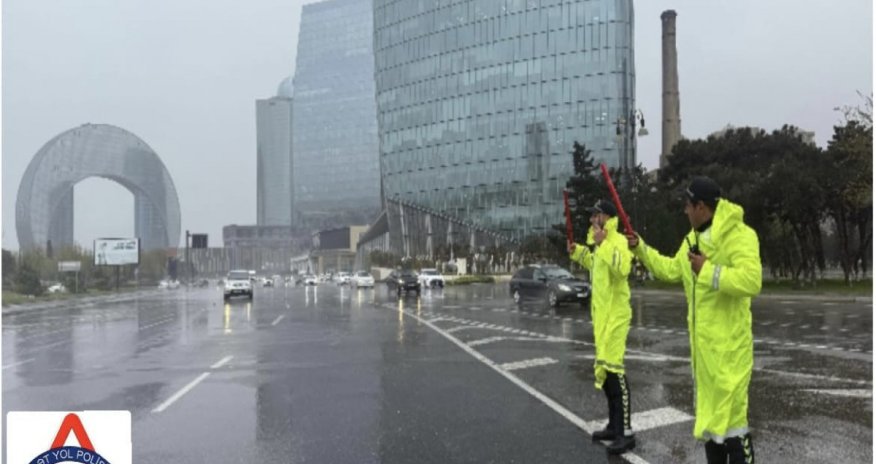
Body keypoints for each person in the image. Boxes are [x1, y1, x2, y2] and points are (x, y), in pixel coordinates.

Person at [626, 176, 761, 464]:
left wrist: (709, 270)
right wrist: (640, 248)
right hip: (704, 359)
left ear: (701, 206)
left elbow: (752, 280)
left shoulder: (739, 235)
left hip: (731, 357)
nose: (685, 211)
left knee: (735, 430)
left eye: (688, 206)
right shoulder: (692, 240)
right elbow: (670, 269)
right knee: (711, 431)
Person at [568, 199, 635, 455]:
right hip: (602, 318)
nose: (592, 220)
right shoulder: (599, 245)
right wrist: (577, 251)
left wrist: (604, 243)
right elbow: (593, 262)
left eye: (595, 216)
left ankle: (626, 432)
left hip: (616, 317)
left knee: (616, 373)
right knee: (606, 374)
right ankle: (613, 425)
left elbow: (621, 268)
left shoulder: (616, 240)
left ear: (606, 217)